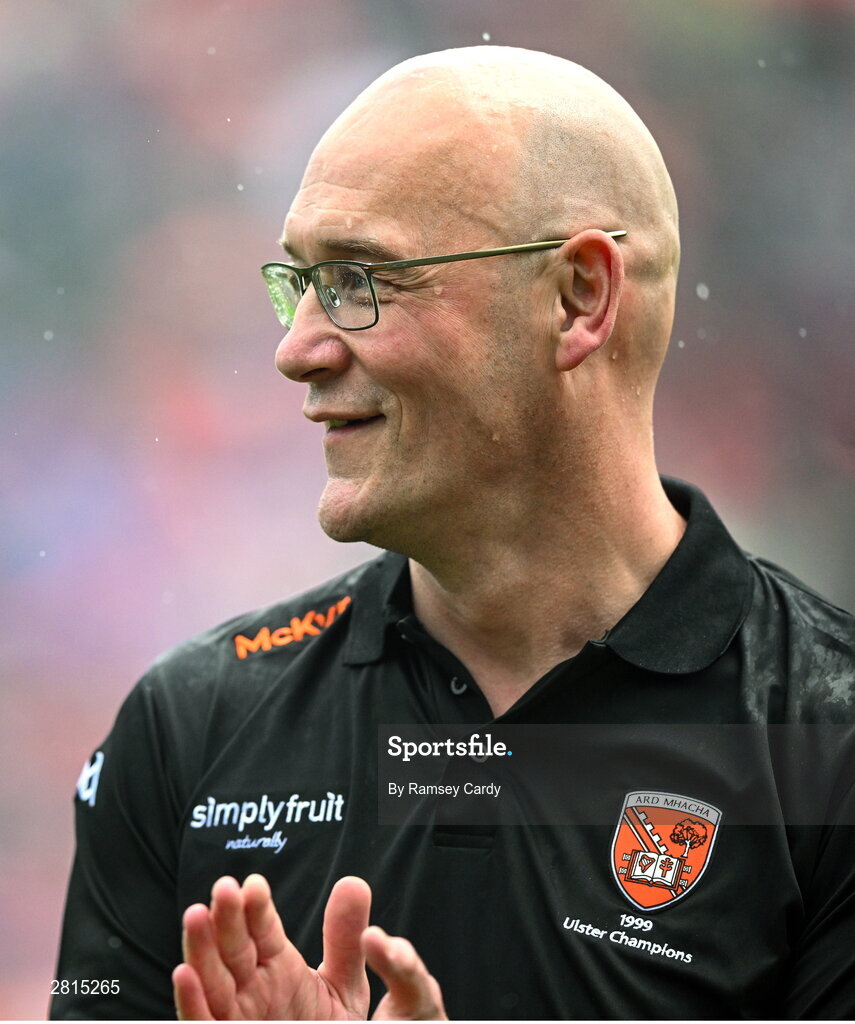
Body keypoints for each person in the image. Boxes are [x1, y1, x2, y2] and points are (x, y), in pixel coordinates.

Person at [51, 46, 855, 1021]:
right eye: (296, 283)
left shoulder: (825, 736)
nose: (296, 349)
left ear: (578, 298)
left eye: (358, 277)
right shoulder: (188, 728)